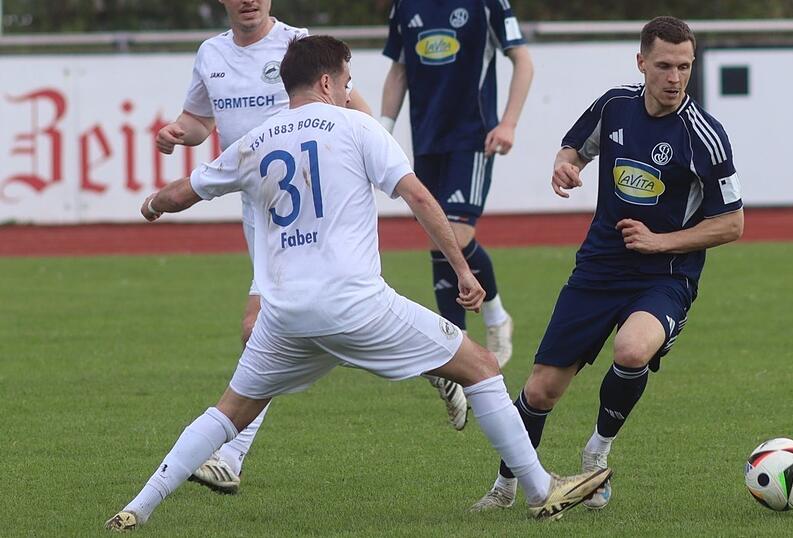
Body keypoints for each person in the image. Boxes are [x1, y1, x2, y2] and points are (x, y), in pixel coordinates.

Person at [105, 35, 610, 532]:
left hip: (284, 314)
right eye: (348, 80)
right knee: (480, 366)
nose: (350, 90)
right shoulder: (356, 127)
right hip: (353, 303)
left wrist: (150, 206)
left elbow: (180, 193)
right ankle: (542, 490)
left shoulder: (255, 141)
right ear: (327, 81)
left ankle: (138, 507)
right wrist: (461, 269)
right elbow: (418, 198)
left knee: (228, 412)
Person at [153, 0, 458, 495]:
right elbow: (199, 122)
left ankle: (229, 455)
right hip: (264, 212)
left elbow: (346, 103)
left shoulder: (299, 44)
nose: (249, 1)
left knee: (268, 324)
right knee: (315, 320)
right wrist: (177, 133)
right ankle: (436, 359)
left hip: (312, 208)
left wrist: (377, 152)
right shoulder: (210, 54)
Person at [470, 16, 745, 512]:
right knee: (541, 389)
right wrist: (565, 164)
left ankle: (597, 453)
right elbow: (573, 147)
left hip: (665, 276)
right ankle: (505, 487)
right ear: (641, 62)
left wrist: (661, 242)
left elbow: (732, 224)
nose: (675, 77)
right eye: (663, 65)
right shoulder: (615, 105)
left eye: (685, 66)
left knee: (633, 349)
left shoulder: (704, 135)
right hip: (598, 267)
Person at [379, 1, 535, 414]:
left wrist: (509, 123)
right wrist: (385, 129)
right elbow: (399, 69)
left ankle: (497, 318)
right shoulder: (405, 6)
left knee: (457, 233)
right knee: (438, 241)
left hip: (474, 136)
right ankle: (457, 362)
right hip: (427, 139)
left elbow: (522, 60)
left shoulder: (487, 4)